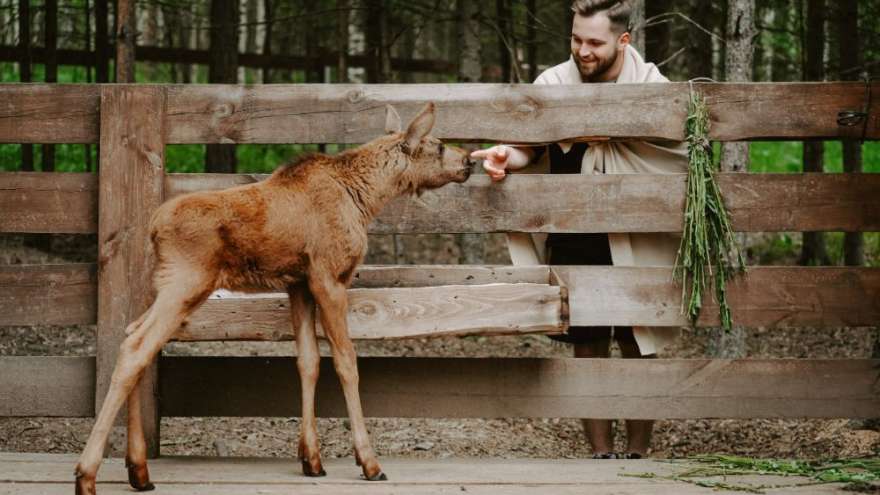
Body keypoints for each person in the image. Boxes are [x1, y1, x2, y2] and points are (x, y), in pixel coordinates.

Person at [470, 0, 688, 459]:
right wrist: (508, 156)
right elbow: (532, 146)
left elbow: (676, 150)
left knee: (637, 340)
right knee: (586, 340)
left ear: (623, 40)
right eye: (576, 39)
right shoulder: (552, 84)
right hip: (575, 224)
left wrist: (612, 128)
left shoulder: (652, 87)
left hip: (636, 223)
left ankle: (638, 454)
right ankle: (600, 455)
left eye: (594, 42)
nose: (582, 51)